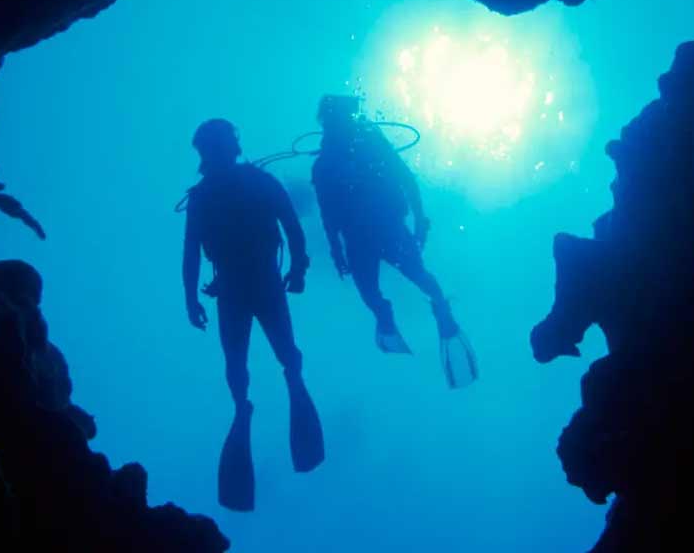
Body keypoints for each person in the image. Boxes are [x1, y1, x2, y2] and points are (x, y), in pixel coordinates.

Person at [182, 118, 324, 511]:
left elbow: (192, 253)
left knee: (249, 359)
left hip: (242, 287)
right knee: (267, 356)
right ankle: (268, 392)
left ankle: (247, 403)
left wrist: (190, 298)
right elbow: (292, 230)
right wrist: (297, 268)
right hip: (254, 285)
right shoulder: (250, 184)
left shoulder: (206, 193)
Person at [311, 96, 476, 386]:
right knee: (385, 285)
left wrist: (420, 219)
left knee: (407, 279)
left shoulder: (364, 147)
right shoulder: (330, 162)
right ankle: (401, 314)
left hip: (381, 228)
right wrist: (335, 250)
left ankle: (436, 312)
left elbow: (405, 179)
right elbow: (328, 212)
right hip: (372, 231)